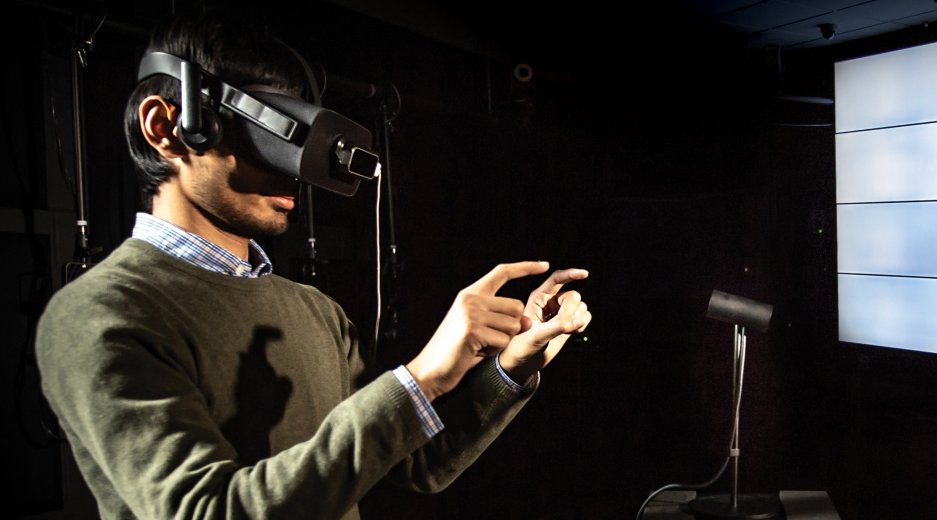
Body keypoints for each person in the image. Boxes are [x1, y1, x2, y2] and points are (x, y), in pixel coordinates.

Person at [35, 15, 592, 519]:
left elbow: (413, 462)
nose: (297, 171)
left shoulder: (313, 310)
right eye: (272, 134)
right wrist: (423, 376)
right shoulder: (100, 314)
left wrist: (508, 369)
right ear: (167, 127)